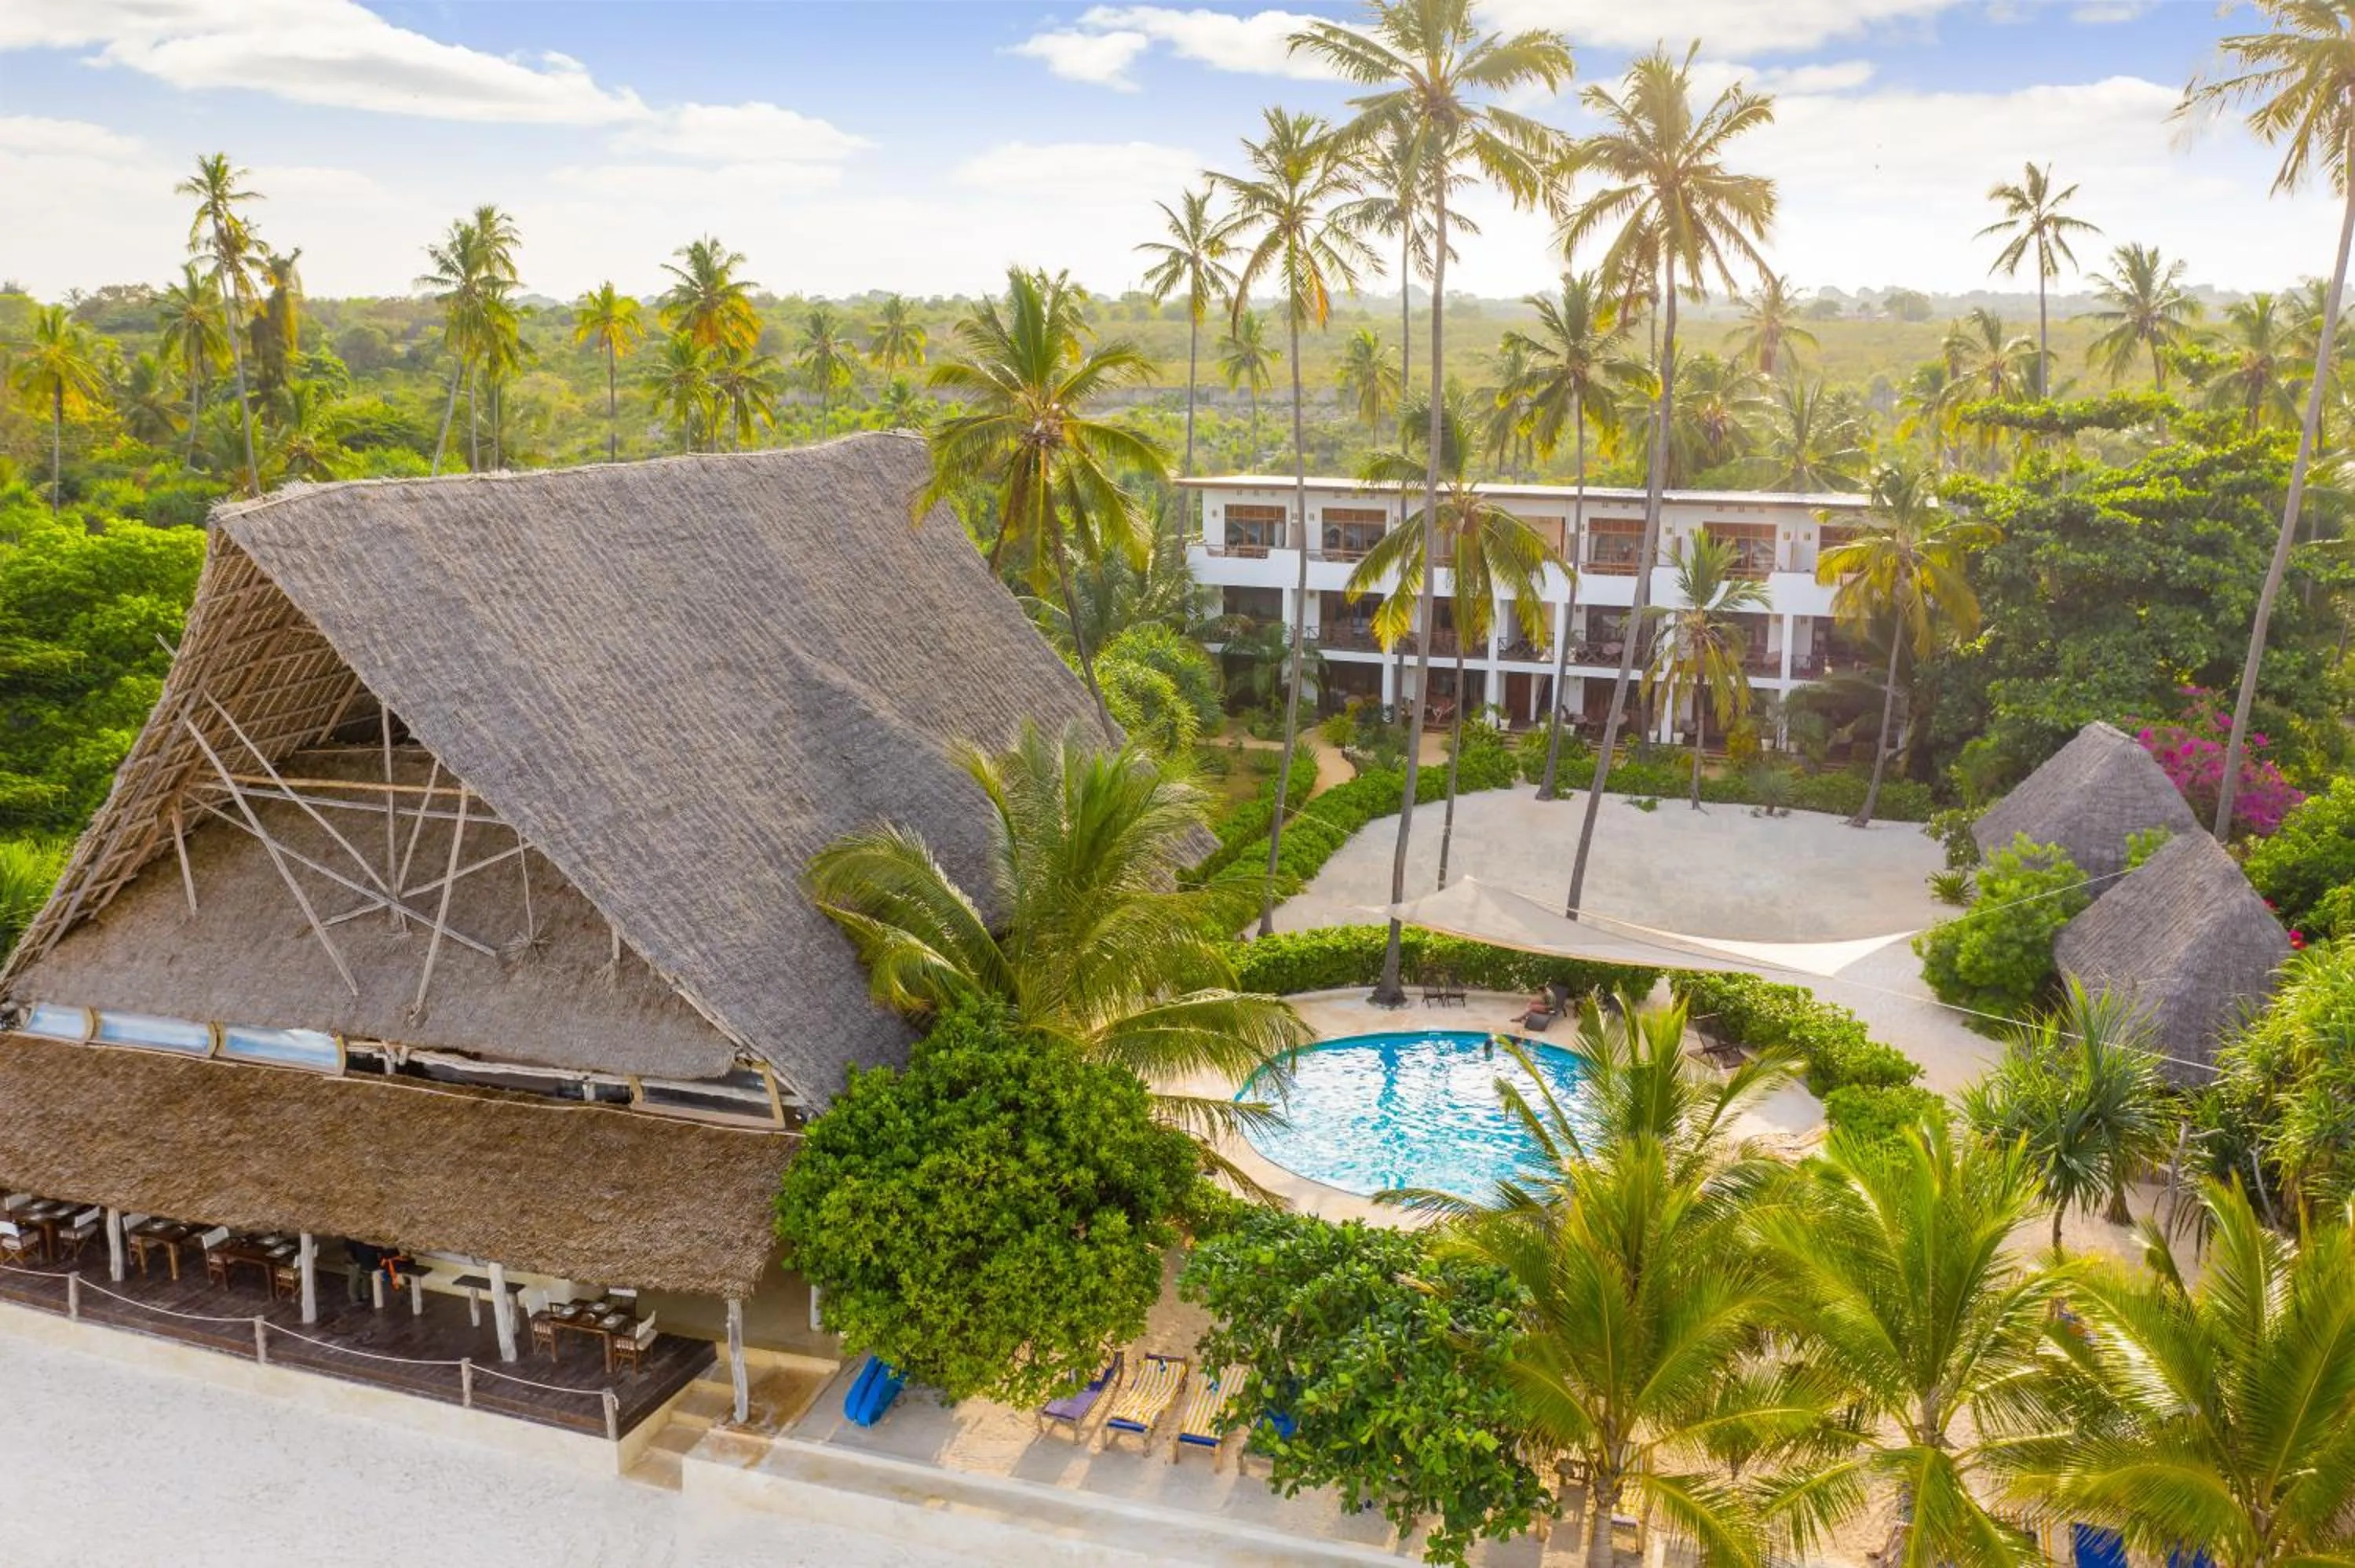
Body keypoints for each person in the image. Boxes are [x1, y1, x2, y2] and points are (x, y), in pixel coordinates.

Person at [344, 1238, 382, 1306]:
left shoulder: (358, 1239)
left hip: (361, 1261)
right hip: (353, 1263)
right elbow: (348, 1254)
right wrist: (355, 1263)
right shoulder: (350, 1240)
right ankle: (354, 1300)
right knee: (354, 1280)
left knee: (365, 1277)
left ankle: (365, 1295)